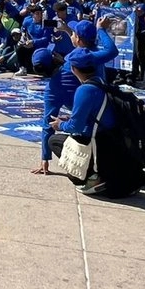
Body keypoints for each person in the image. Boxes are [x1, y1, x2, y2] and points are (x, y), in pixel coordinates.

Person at [32, 21, 118, 175]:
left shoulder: (53, 88)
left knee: (56, 139)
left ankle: (88, 166)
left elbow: (49, 124)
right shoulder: (89, 58)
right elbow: (110, 50)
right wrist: (101, 29)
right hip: (109, 116)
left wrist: (45, 157)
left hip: (90, 126)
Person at [47, 48, 119, 195]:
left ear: (74, 69)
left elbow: (76, 126)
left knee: (54, 141)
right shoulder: (100, 81)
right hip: (110, 136)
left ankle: (92, 175)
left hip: (98, 141)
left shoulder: (84, 90)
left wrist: (60, 124)